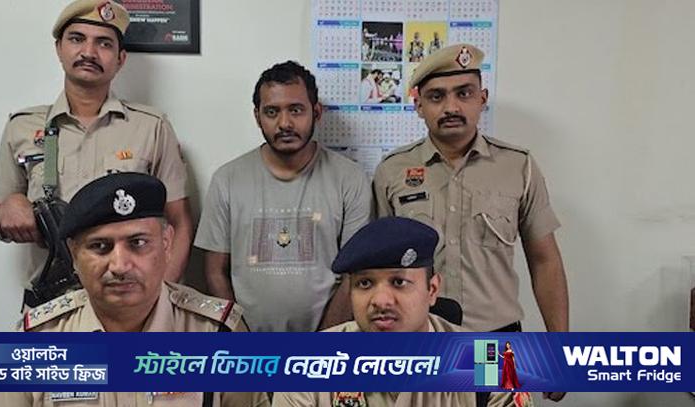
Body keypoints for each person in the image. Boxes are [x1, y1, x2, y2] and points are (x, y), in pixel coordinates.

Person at [0, 172, 268, 406]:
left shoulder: (217, 333)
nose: (119, 265)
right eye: (100, 246)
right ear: (73, 255)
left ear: (167, 243)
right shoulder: (36, 340)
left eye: (138, 243)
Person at [0, 0, 193, 299]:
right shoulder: (22, 127)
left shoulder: (151, 127)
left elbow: (179, 222)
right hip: (51, 305)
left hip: (129, 300)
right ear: (59, 49)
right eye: (77, 39)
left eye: (104, 43)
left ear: (120, 59)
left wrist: (158, 297)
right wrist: (8, 207)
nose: (89, 52)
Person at [373, 44, 568, 333]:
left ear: (482, 99)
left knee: (490, 369)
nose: (451, 108)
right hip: (419, 334)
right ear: (419, 106)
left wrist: (560, 344)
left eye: (464, 93)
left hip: (493, 337)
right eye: (436, 96)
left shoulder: (518, 166)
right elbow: (377, 265)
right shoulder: (392, 171)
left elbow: (545, 261)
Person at [272, 217, 529, 407]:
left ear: (432, 290)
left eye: (398, 282)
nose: (380, 300)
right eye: (365, 283)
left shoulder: (489, 362)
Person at [194, 61, 372, 332]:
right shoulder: (227, 180)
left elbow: (356, 273)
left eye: (296, 110)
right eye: (272, 112)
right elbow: (215, 272)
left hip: (329, 341)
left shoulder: (350, 178)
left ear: (316, 112)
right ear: (257, 117)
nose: (285, 123)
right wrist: (240, 339)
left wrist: (323, 344)